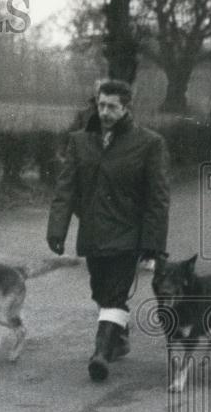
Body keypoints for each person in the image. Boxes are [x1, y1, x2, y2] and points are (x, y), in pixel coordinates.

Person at [46, 78, 170, 382]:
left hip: (128, 234)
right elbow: (66, 189)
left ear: (126, 108)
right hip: (93, 232)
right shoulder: (80, 141)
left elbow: (158, 197)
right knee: (100, 291)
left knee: (114, 294)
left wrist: (152, 243)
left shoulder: (149, 143)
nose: (104, 112)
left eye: (111, 106)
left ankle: (100, 354)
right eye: (100, 105)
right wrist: (57, 230)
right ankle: (119, 334)